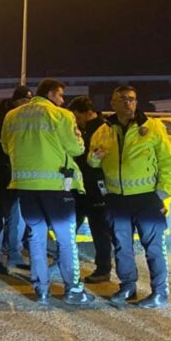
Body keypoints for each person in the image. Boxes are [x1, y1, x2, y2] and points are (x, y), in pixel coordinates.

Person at [1, 78, 94, 305]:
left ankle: (41, 289)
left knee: (36, 238)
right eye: (61, 95)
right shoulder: (60, 115)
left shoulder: (12, 115)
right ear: (52, 94)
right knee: (66, 240)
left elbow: (5, 145)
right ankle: (73, 290)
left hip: (25, 186)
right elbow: (76, 148)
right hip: (56, 187)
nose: (62, 100)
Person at [88, 86, 171, 309]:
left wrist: (161, 194)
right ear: (113, 103)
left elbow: (168, 162)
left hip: (147, 199)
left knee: (154, 247)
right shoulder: (103, 131)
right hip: (117, 200)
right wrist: (94, 158)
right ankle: (128, 286)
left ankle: (160, 292)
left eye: (132, 99)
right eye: (123, 99)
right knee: (121, 246)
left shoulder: (153, 127)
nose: (128, 103)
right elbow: (92, 162)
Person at [0, 85, 33, 274]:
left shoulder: (23, 119)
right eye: (24, 101)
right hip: (2, 178)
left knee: (16, 218)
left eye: (29, 101)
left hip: (18, 177)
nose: (26, 105)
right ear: (15, 101)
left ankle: (14, 255)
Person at [67, 96, 114, 283]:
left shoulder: (104, 129)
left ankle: (103, 269)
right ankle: (64, 261)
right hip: (80, 187)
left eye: (77, 116)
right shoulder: (82, 128)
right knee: (70, 227)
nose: (75, 121)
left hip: (96, 187)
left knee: (99, 230)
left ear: (87, 113)